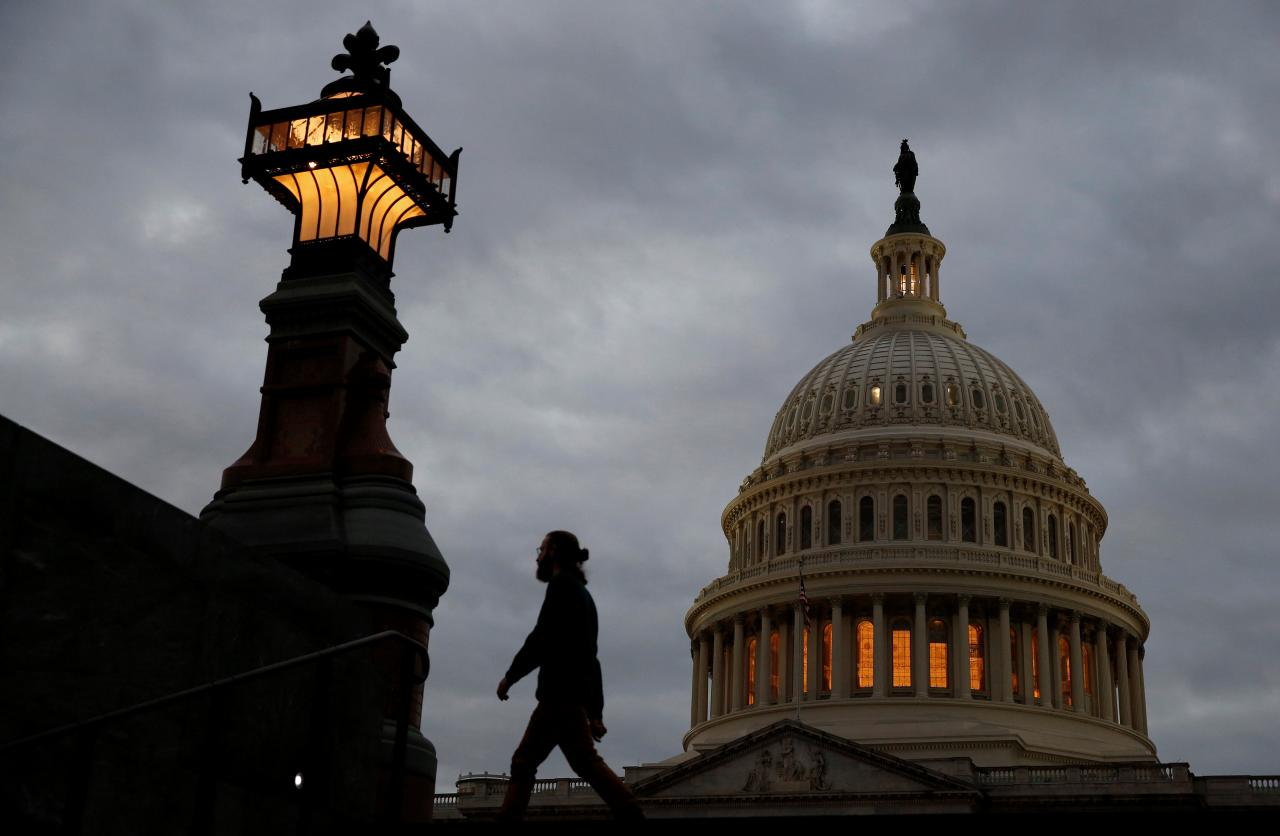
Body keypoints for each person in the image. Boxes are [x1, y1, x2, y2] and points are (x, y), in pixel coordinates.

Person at [495, 530, 644, 821]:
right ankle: (633, 814)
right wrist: (595, 712)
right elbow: (592, 659)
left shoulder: (561, 587)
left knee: (524, 762)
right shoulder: (584, 597)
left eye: (540, 549)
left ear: (552, 553)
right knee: (586, 763)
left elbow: (540, 639)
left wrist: (510, 677)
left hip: (556, 698)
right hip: (573, 700)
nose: (537, 556)